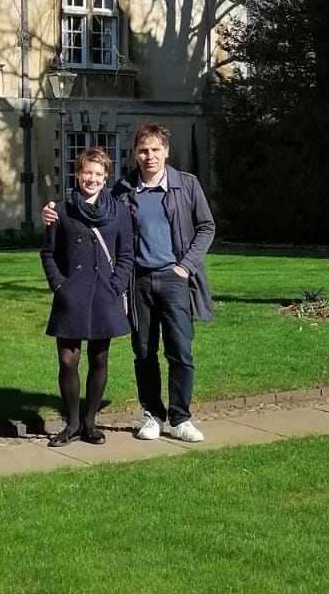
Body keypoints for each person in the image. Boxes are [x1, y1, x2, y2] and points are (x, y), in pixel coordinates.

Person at [43, 122, 215, 441]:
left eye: (155, 150)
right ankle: (152, 415)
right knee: (144, 351)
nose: (149, 156)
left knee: (180, 350)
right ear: (135, 154)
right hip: (138, 282)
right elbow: (89, 210)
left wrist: (185, 267)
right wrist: (51, 212)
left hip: (175, 278)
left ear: (166, 152)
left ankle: (180, 418)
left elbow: (206, 227)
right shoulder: (124, 189)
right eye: (143, 150)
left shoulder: (187, 185)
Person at [40, 147, 134, 446]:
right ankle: (72, 423)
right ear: (77, 174)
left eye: (97, 173)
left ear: (106, 177)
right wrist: (59, 285)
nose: (91, 179)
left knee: (99, 358)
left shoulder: (118, 212)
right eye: (86, 172)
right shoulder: (61, 211)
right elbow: (48, 253)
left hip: (103, 295)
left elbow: (126, 255)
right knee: (68, 360)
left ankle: (90, 422)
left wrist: (116, 285)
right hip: (71, 296)